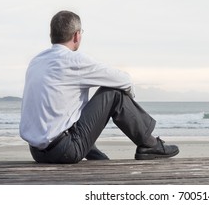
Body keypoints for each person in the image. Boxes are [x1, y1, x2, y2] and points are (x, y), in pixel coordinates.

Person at [19, 10, 179, 163]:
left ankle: (97, 156)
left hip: (37, 153)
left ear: (51, 35)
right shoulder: (74, 60)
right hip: (65, 152)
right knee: (113, 93)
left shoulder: (36, 62)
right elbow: (124, 80)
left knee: (73, 105)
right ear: (76, 35)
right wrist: (126, 99)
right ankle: (150, 144)